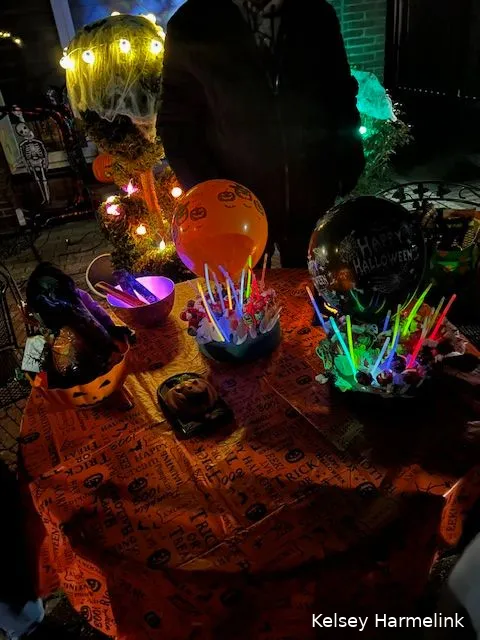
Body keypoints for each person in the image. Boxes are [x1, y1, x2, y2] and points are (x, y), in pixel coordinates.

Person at [159, 0, 365, 267]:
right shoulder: (191, 24)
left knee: (313, 282)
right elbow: (176, 121)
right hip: (236, 207)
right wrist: (209, 191)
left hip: (313, 191)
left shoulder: (316, 13)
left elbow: (340, 94)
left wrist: (348, 160)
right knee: (247, 290)